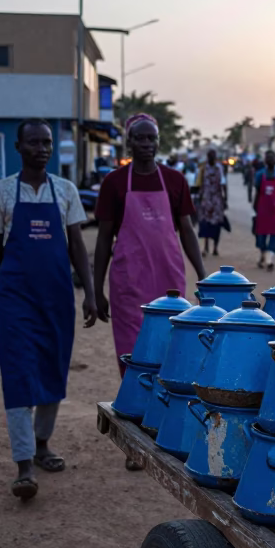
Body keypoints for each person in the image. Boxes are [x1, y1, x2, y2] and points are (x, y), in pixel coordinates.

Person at [0, 119, 99, 500]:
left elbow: (77, 246)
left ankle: (42, 443)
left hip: (56, 299)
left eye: (47, 142)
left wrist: (91, 293)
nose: (42, 149)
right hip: (15, 301)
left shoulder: (65, 190)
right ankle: (24, 465)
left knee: (52, 370)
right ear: (18, 147)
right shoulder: (1, 192)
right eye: (33, 142)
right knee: (18, 375)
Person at [94, 114, 205, 374]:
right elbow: (103, 238)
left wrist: (203, 276)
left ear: (158, 142)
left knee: (169, 348)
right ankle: (134, 398)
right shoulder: (114, 182)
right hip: (128, 282)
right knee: (131, 351)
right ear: (129, 142)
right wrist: (96, 290)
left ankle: (161, 400)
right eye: (140, 138)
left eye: (151, 138)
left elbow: (187, 230)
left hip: (169, 280)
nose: (146, 144)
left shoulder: (175, 180)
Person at [254, 150, 275, 270]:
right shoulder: (259, 175)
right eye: (269, 158)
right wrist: (255, 207)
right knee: (261, 234)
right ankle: (263, 255)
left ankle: (269, 260)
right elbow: (257, 193)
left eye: (273, 158)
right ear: (265, 161)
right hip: (262, 209)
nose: (271, 160)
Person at [196, 148, 227, 255]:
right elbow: (199, 184)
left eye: (213, 156)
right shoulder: (203, 169)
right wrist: (199, 198)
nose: (212, 158)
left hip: (217, 199)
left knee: (217, 224)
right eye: (210, 156)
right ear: (207, 157)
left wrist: (225, 199)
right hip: (206, 199)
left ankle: (215, 247)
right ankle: (205, 247)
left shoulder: (219, 168)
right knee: (205, 224)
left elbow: (223, 184)